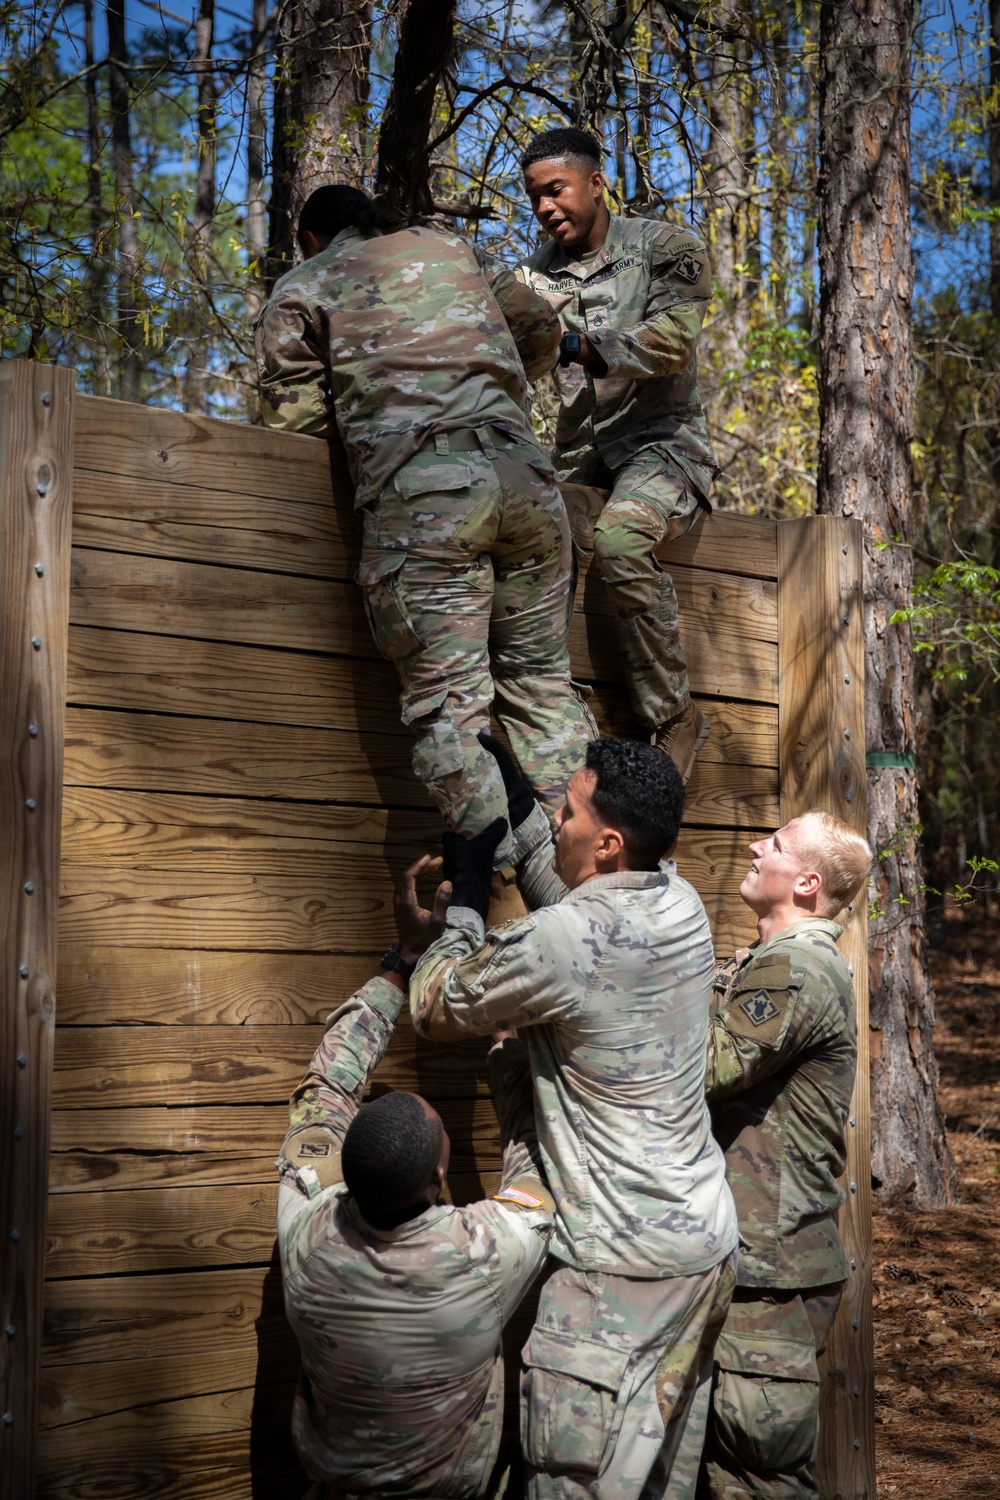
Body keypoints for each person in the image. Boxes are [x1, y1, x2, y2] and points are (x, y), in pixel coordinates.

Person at [406, 734, 738, 1499]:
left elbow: (436, 1002)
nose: (557, 821)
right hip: (702, 1250)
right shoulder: (679, 900)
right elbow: (582, 915)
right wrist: (524, 818)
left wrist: (461, 903)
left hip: (617, 1275)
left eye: (567, 811)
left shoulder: (564, 942)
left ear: (610, 841)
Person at [255, 185, 596, 862]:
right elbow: (540, 329)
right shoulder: (454, 251)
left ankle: (504, 898)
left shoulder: (303, 284)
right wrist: (497, 388)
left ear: (315, 239)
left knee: (452, 711)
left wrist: (373, 433)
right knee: (541, 690)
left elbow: (293, 423)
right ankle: (605, 890)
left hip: (428, 501)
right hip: (529, 482)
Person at [277, 852, 554, 1499]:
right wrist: (505, 1039)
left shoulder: (306, 1232)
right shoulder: (480, 1258)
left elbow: (326, 1088)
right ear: (438, 1175)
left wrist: (402, 960)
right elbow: (534, 1164)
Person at [517, 127, 717, 782]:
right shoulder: (537, 275)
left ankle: (675, 716)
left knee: (623, 537)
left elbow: (672, 344)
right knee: (519, 522)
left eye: (556, 190)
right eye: (534, 198)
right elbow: (506, 350)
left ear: (596, 183)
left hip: (663, 444)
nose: (546, 208)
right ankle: (553, 717)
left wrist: (574, 346)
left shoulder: (668, 248)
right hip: (581, 457)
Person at [698, 811, 873, 1500]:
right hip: (753, 1259)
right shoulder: (770, 961)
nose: (752, 845)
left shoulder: (795, 969)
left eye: (772, 843)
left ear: (806, 881)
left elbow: (709, 1067)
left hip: (770, 1273)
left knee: (756, 1475)